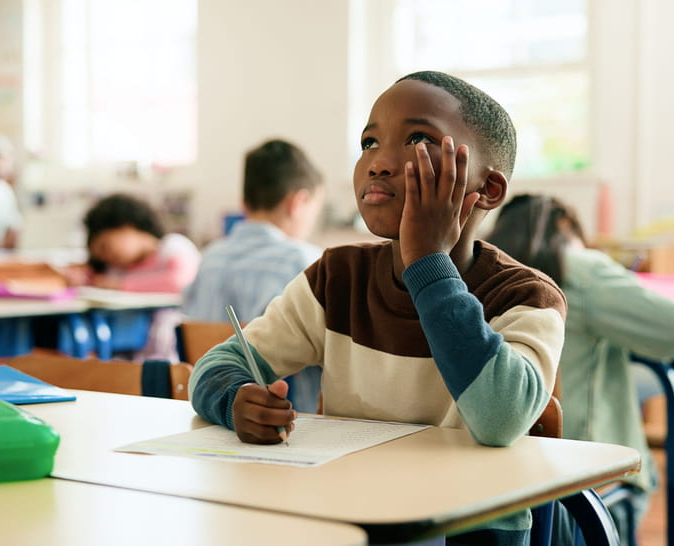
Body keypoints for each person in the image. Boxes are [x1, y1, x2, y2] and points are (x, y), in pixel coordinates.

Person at [189, 71, 566, 545]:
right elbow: (215, 367)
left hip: (466, 532)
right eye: (369, 142)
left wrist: (427, 263)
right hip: (352, 520)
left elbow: (500, 418)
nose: (379, 163)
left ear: (488, 189)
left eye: (418, 139)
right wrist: (236, 400)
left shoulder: (525, 295)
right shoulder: (337, 278)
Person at [485, 193, 674, 541]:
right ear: (566, 226)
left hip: (504, 479)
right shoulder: (580, 269)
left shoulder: (484, 272)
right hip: (582, 482)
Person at [182, 138, 325, 412]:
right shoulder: (306, 261)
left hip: (214, 408)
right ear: (297, 203)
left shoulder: (210, 257)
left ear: (244, 203)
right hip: (286, 417)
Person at [63, 193, 201, 361]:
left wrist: (120, 285)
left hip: (177, 351)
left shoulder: (173, 246)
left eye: (105, 247)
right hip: (138, 354)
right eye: (101, 258)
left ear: (126, 225)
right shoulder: (118, 269)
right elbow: (95, 280)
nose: (108, 258)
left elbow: (179, 282)